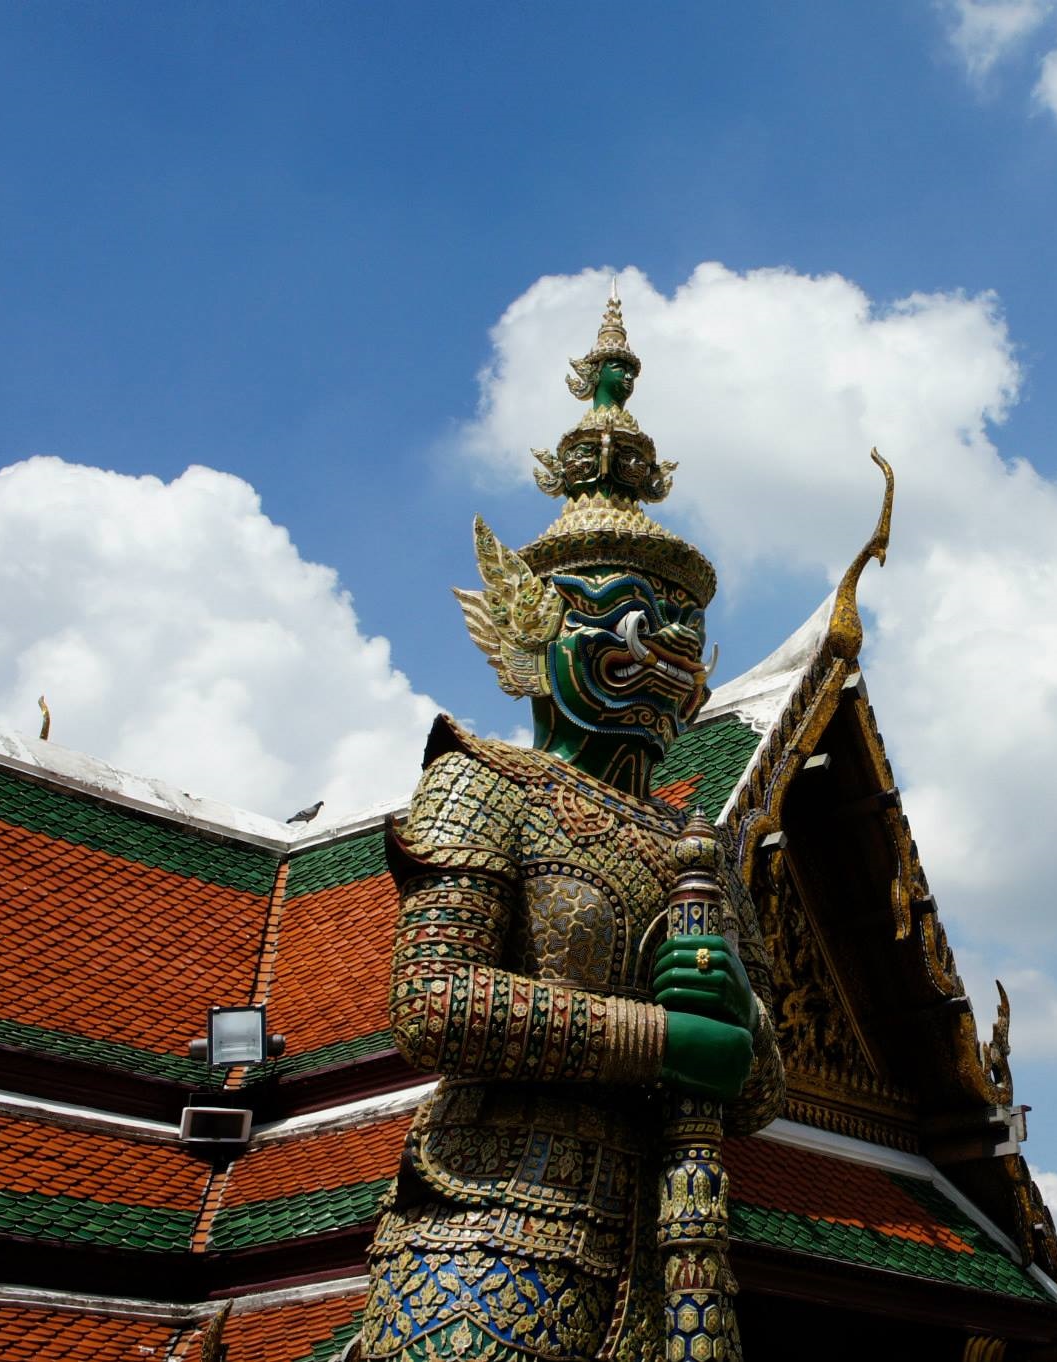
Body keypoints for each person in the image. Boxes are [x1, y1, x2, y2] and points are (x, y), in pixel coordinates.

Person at [353, 289, 784, 1362]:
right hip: (490, 1232)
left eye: (682, 623)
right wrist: (665, 1039)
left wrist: (738, 1025)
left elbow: (759, 1081)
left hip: (667, 1244)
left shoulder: (696, 852)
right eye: (619, 610)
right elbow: (433, 1003)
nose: (662, 642)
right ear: (528, 632)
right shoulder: (478, 782)